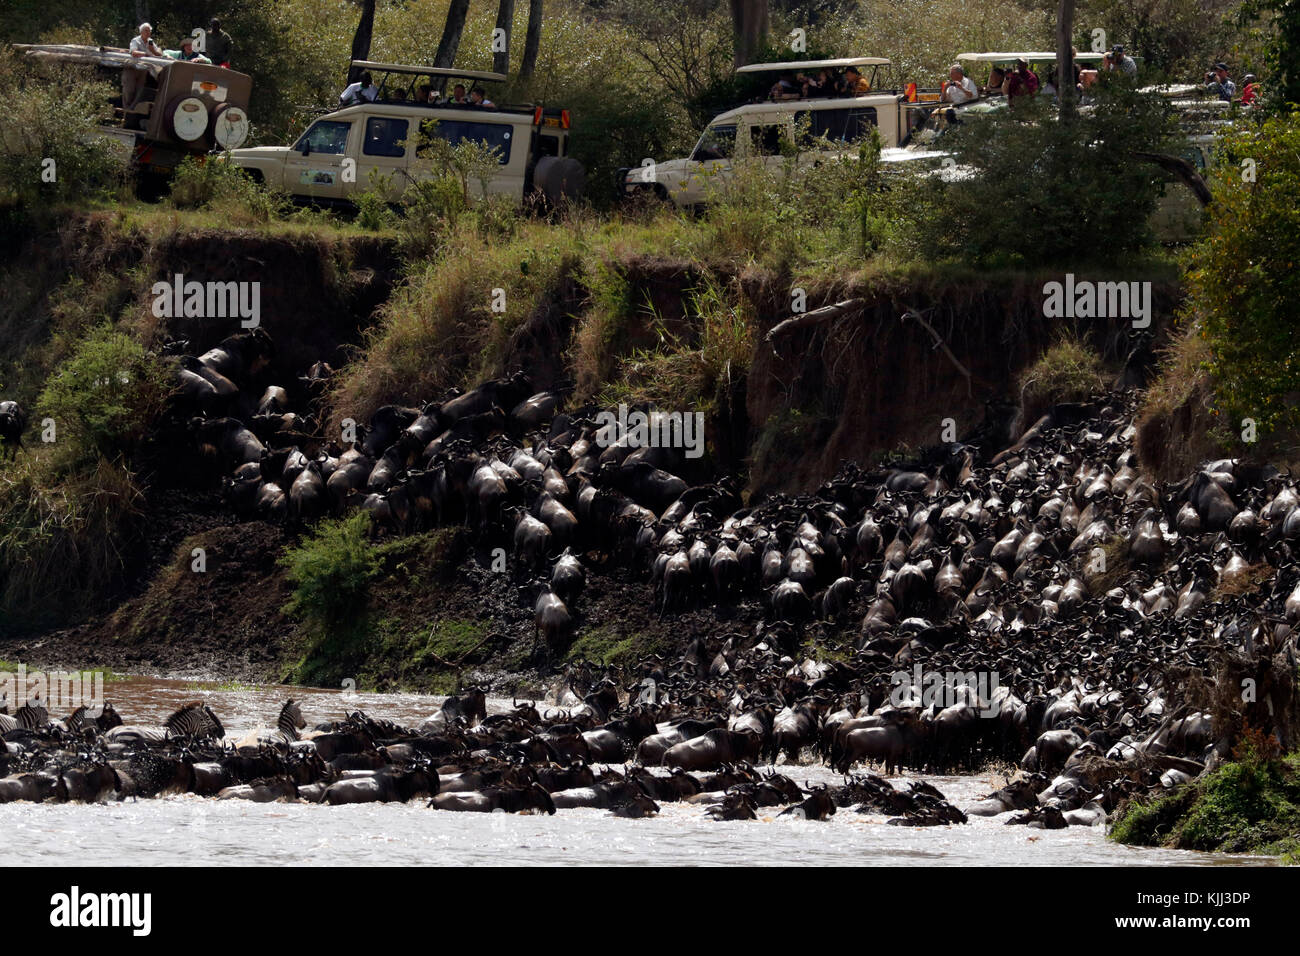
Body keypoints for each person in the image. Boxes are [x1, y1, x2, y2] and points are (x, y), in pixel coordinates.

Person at [124, 23, 162, 110]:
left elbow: (159, 55)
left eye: (149, 31)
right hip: (132, 68)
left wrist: (153, 50)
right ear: (141, 32)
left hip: (143, 69)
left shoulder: (150, 41)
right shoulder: (136, 40)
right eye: (146, 30)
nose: (148, 33)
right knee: (129, 90)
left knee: (139, 91)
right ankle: (126, 109)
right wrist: (146, 54)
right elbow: (133, 52)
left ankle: (132, 110)